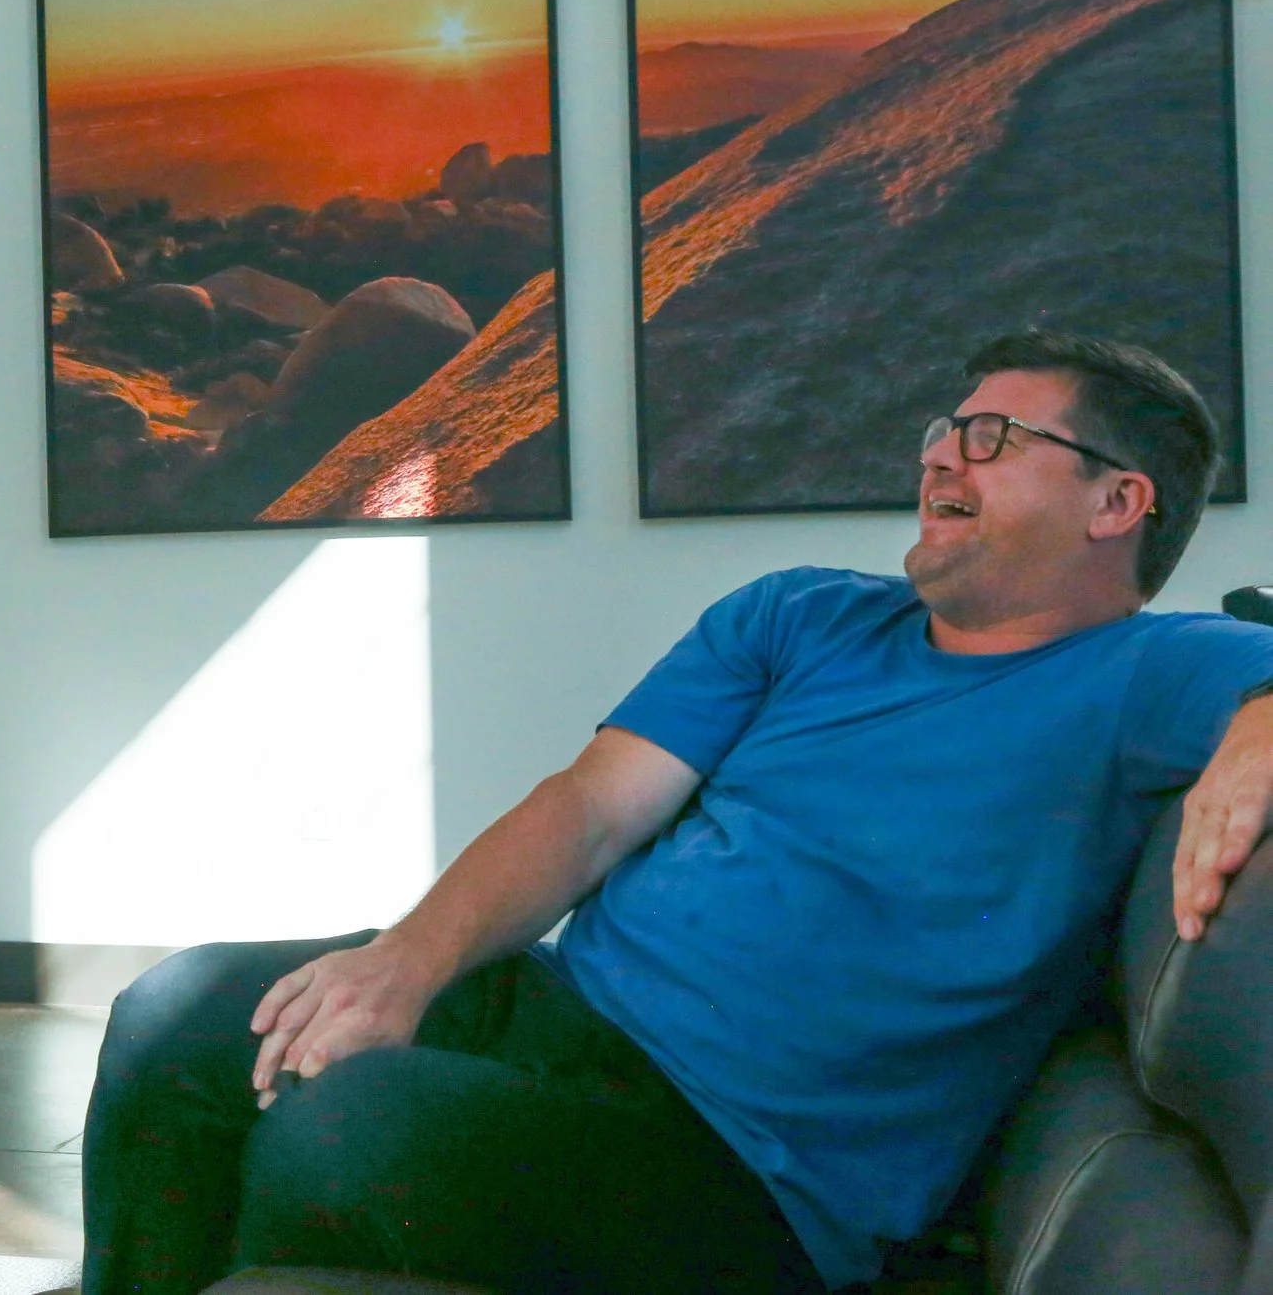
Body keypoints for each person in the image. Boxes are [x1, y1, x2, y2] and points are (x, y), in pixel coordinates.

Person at [82, 331, 1273, 1294]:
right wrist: (402, 962)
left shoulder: (1147, 672)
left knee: (342, 1119)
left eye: (991, 436)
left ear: (1117, 499)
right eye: (941, 431)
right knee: (177, 1013)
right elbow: (591, 810)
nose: (938, 459)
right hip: (563, 1009)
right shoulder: (797, 614)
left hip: (748, 1164)